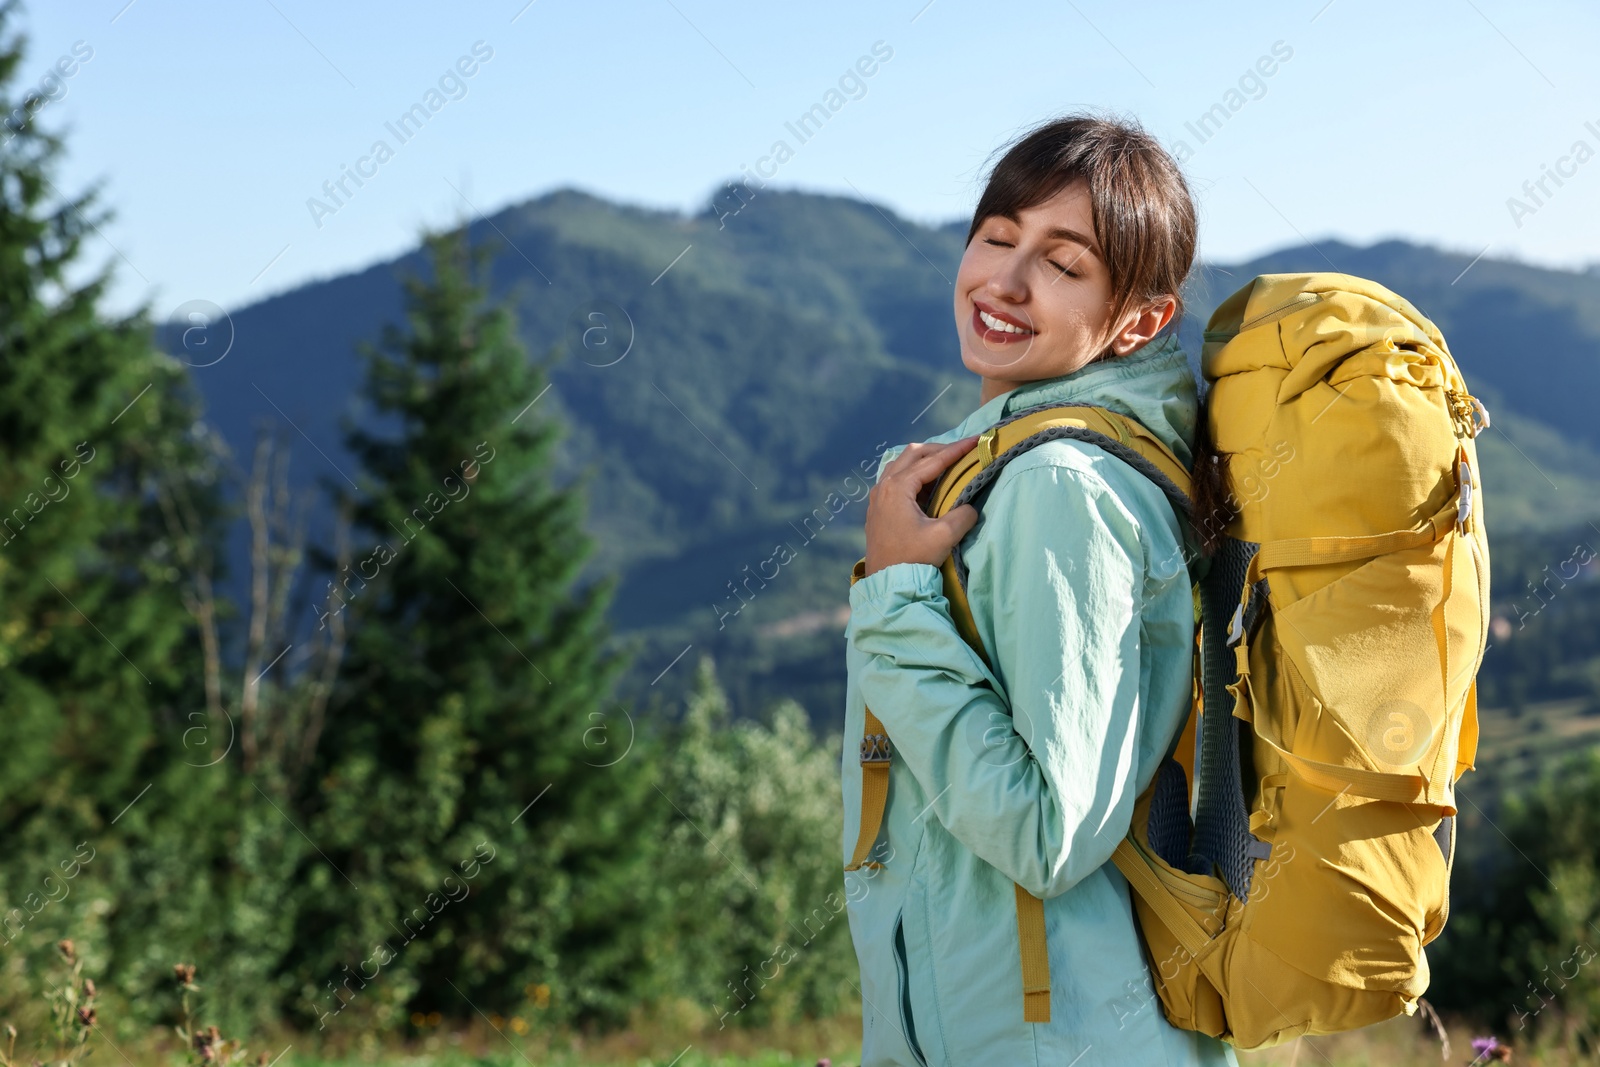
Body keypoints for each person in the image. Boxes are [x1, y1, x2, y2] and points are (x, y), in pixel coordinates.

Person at [841, 114, 1237, 1066]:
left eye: (1064, 265)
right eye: (996, 236)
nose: (1005, 283)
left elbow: (1045, 833)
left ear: (1141, 319)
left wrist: (897, 592)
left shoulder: (1064, 488)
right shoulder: (1034, 463)